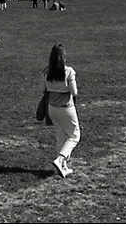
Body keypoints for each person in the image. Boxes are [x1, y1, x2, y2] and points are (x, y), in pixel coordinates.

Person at [43, 43, 80, 177]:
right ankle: (60, 160)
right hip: (66, 108)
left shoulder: (46, 73)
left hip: (52, 108)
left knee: (61, 136)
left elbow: (46, 89)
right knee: (74, 136)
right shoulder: (69, 71)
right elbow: (74, 92)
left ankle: (63, 167)